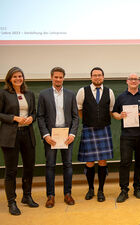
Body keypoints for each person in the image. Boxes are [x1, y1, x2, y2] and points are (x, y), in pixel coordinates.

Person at [37, 67, 79, 208]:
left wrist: (72, 134)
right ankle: (51, 196)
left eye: (61, 77)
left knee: (68, 165)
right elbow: (40, 116)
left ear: (63, 78)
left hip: (67, 135)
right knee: (50, 166)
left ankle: (68, 194)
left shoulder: (70, 94)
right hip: (51, 136)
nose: (58, 79)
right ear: (51, 77)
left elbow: (75, 116)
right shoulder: (43, 94)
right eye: (56, 77)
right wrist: (46, 135)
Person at [0, 67, 39, 215]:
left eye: (20, 76)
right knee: (11, 171)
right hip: (10, 136)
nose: (18, 79)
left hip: (27, 134)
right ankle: (11, 202)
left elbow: (34, 113)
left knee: (29, 167)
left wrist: (31, 118)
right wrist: (14, 118)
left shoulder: (29, 94)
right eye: (15, 76)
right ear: (10, 78)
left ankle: (27, 196)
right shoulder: (3, 94)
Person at [76, 67, 115, 202]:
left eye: (99, 75)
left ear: (103, 77)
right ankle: (91, 188)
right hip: (89, 129)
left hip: (104, 129)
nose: (97, 77)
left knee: (103, 162)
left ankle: (101, 190)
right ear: (91, 77)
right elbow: (79, 109)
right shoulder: (82, 91)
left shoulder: (109, 92)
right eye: (94, 75)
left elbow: (110, 110)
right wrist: (89, 121)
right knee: (90, 162)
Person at [112, 73, 140, 203]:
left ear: (139, 82)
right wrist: (120, 115)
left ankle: (137, 187)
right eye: (131, 79)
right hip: (127, 136)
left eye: (136, 79)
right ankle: (124, 190)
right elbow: (114, 113)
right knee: (125, 163)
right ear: (127, 82)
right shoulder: (121, 97)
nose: (133, 81)